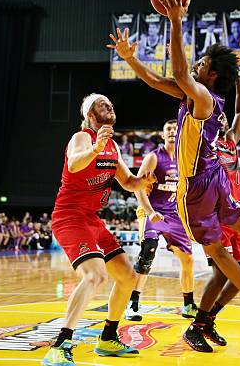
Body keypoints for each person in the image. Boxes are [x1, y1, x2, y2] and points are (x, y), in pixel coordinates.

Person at [107, 0, 240, 354]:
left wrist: (175, 21)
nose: (194, 67)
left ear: (211, 74)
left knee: (217, 252)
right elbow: (156, 81)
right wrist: (130, 61)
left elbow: (179, 71)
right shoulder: (204, 99)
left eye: (201, 64)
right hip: (216, 176)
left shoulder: (200, 95)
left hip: (196, 185)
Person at [42, 93, 155, 365]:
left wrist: (145, 181)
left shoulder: (112, 147)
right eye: (102, 104)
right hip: (70, 218)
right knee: (95, 276)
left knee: (128, 277)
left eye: (110, 103)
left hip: (92, 220)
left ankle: (107, 338)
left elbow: (128, 182)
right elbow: (73, 163)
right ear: (90, 115)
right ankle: (60, 344)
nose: (109, 106)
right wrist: (95, 148)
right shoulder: (83, 138)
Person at [124, 119, 198, 321]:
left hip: (174, 215)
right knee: (148, 250)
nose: (173, 132)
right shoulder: (153, 158)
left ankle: (189, 304)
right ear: (163, 135)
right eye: (168, 129)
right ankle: (133, 303)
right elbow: (138, 187)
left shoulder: (186, 160)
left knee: (188, 259)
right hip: (153, 210)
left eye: (176, 129)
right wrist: (149, 212)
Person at [200, 76, 240, 347]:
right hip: (215, 217)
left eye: (223, 118)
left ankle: (209, 320)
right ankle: (197, 326)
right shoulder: (203, 144)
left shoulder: (230, 139)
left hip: (237, 218)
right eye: (217, 118)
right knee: (221, 274)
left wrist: (238, 81)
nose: (222, 121)